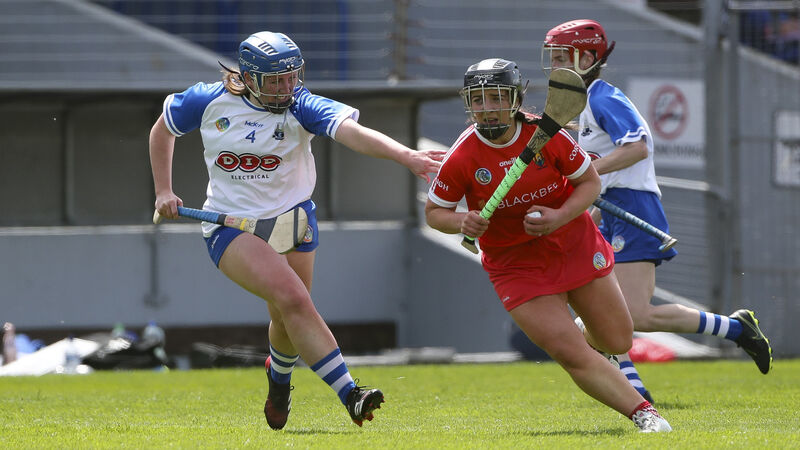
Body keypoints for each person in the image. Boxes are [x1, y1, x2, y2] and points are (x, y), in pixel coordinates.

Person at [149, 31, 445, 430]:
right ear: (250, 78)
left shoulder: (301, 105)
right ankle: (351, 394)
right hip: (232, 228)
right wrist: (163, 190)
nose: (286, 87)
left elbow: (352, 133)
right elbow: (162, 130)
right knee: (294, 300)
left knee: (286, 314)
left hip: (293, 221)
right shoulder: (207, 99)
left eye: (291, 77)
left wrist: (406, 156)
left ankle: (278, 380)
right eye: (275, 80)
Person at [425, 58, 671, 432]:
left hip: (572, 241)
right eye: (478, 100)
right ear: (468, 103)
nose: (487, 109)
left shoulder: (548, 134)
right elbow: (434, 212)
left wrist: (559, 216)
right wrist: (462, 220)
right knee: (570, 352)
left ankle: (582, 327)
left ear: (514, 98)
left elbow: (588, 184)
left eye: (496, 97)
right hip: (515, 264)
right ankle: (644, 414)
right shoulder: (462, 155)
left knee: (618, 338)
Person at [541, 19, 774, 402]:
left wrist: (585, 171)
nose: (555, 66)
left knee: (632, 316)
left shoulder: (603, 97)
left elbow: (638, 147)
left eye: (562, 57)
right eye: (552, 58)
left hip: (633, 206)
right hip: (610, 208)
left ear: (586, 57)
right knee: (592, 317)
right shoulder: (584, 104)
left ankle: (736, 329)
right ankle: (636, 389)